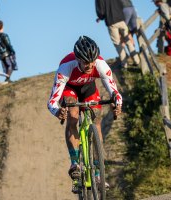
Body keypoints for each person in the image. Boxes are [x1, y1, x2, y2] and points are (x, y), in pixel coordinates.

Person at [47, 36, 122, 193]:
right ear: (78, 59)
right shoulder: (66, 67)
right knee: (73, 116)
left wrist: (117, 104)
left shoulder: (100, 64)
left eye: (92, 61)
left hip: (88, 88)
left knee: (97, 121)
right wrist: (58, 111)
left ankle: (97, 173)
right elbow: (52, 102)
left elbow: (114, 92)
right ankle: (75, 163)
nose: (90, 65)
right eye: (86, 62)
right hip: (70, 88)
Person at [96, 0, 140, 68]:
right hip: (121, 20)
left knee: (117, 43)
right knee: (127, 40)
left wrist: (100, 17)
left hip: (111, 22)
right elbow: (121, 5)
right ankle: (137, 60)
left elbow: (101, 12)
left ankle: (124, 64)